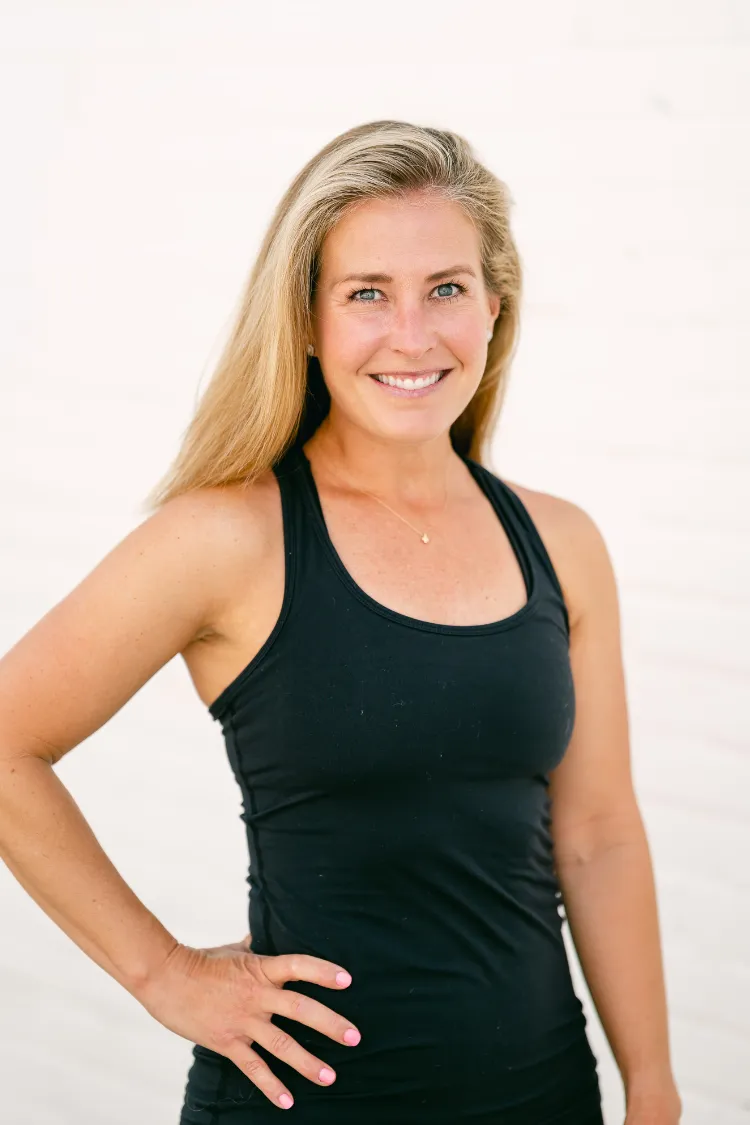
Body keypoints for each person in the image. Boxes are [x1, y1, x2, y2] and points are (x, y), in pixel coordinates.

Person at [0, 120, 682, 1125]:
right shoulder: (227, 539)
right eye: (368, 294)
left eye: (446, 288)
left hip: (543, 1094)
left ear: (496, 307)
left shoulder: (562, 543)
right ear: (309, 321)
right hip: (308, 1104)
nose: (414, 334)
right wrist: (163, 974)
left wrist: (654, 1085)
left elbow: (599, 835)